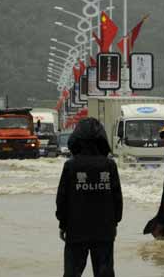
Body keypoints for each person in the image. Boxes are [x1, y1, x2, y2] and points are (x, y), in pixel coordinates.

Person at [56, 118, 123, 277]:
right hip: (104, 231)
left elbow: (62, 199)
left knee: (72, 273)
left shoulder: (71, 166)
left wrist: (62, 224)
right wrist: (114, 222)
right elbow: (117, 199)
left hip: (76, 230)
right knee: (104, 273)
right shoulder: (109, 165)